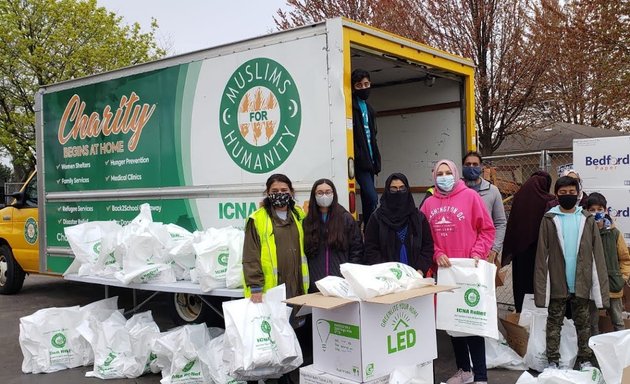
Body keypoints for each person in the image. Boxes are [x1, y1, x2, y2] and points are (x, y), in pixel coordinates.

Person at [420, 160, 495, 384]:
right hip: (444, 273)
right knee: (452, 323)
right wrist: (435, 253)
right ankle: (464, 370)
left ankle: (481, 375)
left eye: (447, 172)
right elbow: (424, 239)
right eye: (439, 173)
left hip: (468, 270)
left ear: (455, 174)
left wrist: (478, 252)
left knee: (471, 322)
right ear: (434, 177)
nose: (444, 177)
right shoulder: (429, 204)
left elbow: (487, 229)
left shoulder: (471, 197)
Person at [534, 176, 609, 369]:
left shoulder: (587, 219)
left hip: (581, 281)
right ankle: (552, 361)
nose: (568, 195)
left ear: (578, 194)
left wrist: (599, 287)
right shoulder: (549, 219)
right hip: (558, 280)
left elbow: (597, 254)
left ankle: (584, 359)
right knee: (554, 324)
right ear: (556, 194)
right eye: (563, 192)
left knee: (583, 324)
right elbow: (542, 255)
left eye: (571, 192)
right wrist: (542, 288)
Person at [242, 174, 310, 384]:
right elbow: (250, 256)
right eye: (275, 192)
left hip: (296, 289)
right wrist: (255, 287)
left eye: (284, 191)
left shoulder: (298, 215)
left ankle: (290, 379)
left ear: (291, 192)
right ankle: (273, 379)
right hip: (270, 293)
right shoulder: (258, 219)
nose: (280, 195)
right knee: (273, 340)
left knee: (292, 337)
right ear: (268, 194)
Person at [503, 171, 556, 312]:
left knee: (522, 286)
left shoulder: (519, 198)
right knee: (540, 285)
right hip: (542, 252)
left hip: (520, 252)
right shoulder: (549, 200)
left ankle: (522, 314)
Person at [364, 173, 433, 275]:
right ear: (387, 191)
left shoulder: (418, 217)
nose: (398, 192)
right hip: (386, 277)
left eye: (402, 188)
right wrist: (386, 271)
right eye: (393, 189)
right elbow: (371, 248)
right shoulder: (377, 218)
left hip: (415, 276)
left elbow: (428, 246)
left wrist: (420, 269)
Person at [303, 179, 364, 292]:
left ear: (334, 194)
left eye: (328, 192)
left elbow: (357, 250)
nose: (324, 196)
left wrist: (349, 277)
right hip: (316, 285)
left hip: (341, 283)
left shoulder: (346, 219)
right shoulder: (307, 222)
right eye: (320, 193)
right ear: (314, 195)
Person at [586, 192, 630, 334]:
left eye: (599, 209)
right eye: (592, 210)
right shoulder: (584, 232)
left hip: (612, 284)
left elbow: (625, 258)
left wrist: (622, 277)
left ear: (605, 210)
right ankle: (593, 351)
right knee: (592, 322)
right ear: (586, 211)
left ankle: (620, 350)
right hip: (592, 285)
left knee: (617, 320)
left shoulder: (614, 233)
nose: (596, 213)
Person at [462, 151, 507, 263]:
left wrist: (494, 249)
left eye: (475, 164)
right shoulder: (456, 192)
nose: (471, 167)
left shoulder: (492, 191)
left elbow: (500, 223)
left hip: (485, 253)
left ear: (481, 167)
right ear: (462, 167)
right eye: (468, 165)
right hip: (461, 252)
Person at [351, 68, 381, 228]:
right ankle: (369, 228)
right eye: (359, 85)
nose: (364, 88)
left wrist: (376, 159)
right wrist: (357, 154)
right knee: (372, 197)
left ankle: (368, 231)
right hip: (359, 161)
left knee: (366, 197)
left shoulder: (369, 109)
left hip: (370, 160)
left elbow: (373, 137)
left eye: (366, 84)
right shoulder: (352, 107)